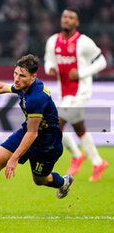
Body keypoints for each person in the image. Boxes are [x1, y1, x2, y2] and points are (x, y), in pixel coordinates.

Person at [0, 54, 72, 215]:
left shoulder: (36, 98)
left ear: (33, 77)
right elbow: (2, 87)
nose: (16, 79)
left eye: (22, 75)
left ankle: (63, 182)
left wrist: (14, 158)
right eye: (15, 73)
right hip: (28, 131)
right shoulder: (23, 84)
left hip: (47, 143)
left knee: (41, 180)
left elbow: (33, 133)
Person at [44, 7, 108, 182]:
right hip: (64, 92)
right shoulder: (52, 41)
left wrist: (82, 73)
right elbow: (48, 58)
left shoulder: (84, 42)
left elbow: (102, 61)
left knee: (55, 123)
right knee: (79, 129)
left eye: (71, 17)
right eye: (65, 16)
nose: (67, 19)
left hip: (81, 91)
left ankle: (77, 155)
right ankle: (98, 162)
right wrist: (49, 66)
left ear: (77, 22)